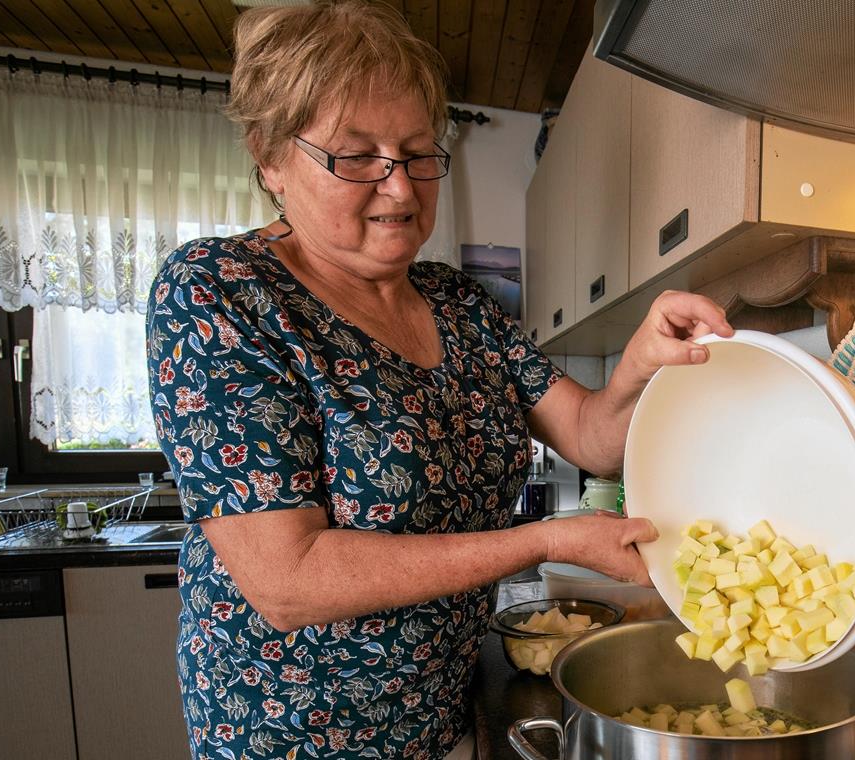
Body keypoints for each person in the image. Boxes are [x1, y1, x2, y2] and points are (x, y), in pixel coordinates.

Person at [146, 2, 734, 758]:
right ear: (270, 156)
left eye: (418, 153)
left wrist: (639, 367)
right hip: (291, 737)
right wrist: (547, 540)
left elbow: (593, 435)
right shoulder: (220, 290)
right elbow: (287, 579)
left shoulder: (459, 302)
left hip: (441, 718)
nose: (399, 188)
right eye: (356, 156)